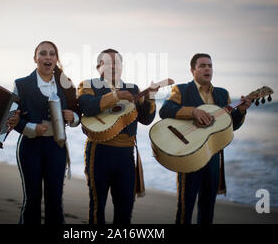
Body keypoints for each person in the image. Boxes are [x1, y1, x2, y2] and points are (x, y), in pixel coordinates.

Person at [159, 53, 252, 224]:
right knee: (185, 208)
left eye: (209, 65)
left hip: (213, 156)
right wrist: (193, 111)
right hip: (189, 155)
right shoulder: (181, 90)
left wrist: (242, 110)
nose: (207, 68)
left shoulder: (223, 95)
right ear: (192, 70)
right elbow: (165, 110)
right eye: (202, 66)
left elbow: (230, 126)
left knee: (208, 208)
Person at [77, 49, 157, 224]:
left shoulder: (133, 88)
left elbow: (145, 119)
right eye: (108, 62)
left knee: (125, 206)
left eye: (118, 62)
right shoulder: (88, 85)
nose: (114, 66)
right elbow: (86, 107)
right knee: (98, 206)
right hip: (99, 152)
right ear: (99, 67)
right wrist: (116, 96)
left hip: (126, 154)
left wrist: (150, 99)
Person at [12, 41, 79, 224]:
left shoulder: (66, 85)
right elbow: (11, 118)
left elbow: (78, 114)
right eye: (43, 53)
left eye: (52, 53)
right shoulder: (21, 84)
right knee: (32, 199)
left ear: (56, 59)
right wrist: (31, 128)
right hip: (30, 147)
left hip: (56, 147)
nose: (47, 57)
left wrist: (72, 117)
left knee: (55, 201)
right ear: (35, 59)